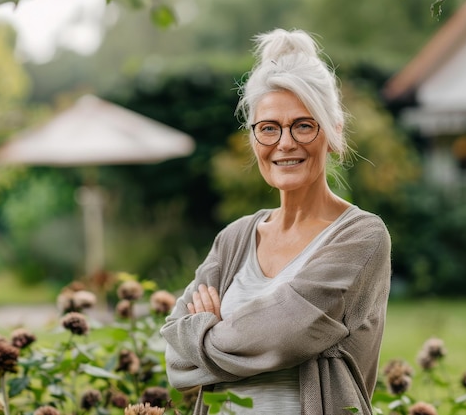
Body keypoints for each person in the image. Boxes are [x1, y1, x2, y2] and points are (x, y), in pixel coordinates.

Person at [160, 28, 391, 415]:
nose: (285, 143)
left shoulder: (362, 237)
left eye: (303, 124)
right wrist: (229, 337)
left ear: (333, 132)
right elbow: (174, 356)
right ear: (254, 139)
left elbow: (286, 335)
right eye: (269, 128)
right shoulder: (234, 239)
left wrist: (205, 331)